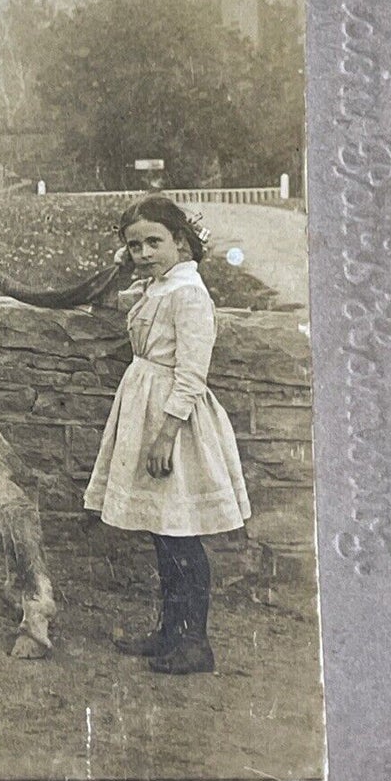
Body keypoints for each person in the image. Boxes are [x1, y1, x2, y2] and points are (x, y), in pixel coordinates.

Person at [83, 196, 248, 675]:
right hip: (145, 407)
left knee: (180, 536)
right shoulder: (156, 287)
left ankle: (195, 642)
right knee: (162, 531)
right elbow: (106, 307)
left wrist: (165, 434)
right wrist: (122, 269)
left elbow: (193, 374)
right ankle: (169, 632)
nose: (144, 252)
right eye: (134, 245)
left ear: (180, 241)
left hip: (174, 421)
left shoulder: (188, 293)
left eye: (155, 241)